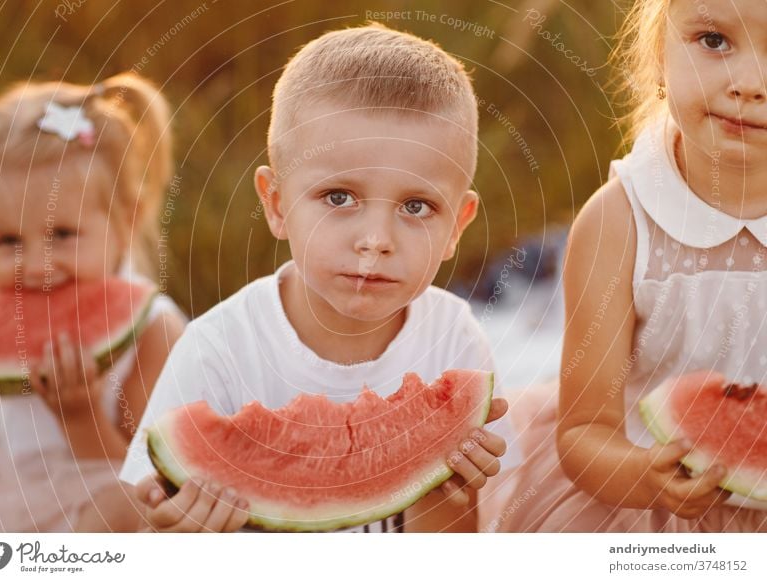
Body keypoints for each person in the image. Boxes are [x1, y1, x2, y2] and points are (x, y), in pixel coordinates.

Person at [120, 23, 516, 533]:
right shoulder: (218, 348)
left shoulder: (454, 340)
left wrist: (440, 492)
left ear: (456, 227)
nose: (376, 239)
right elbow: (140, 515)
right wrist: (172, 529)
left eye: (416, 206)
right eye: (338, 198)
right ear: (277, 204)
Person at [479, 0, 767, 533]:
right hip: (642, 509)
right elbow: (586, 430)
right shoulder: (620, 223)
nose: (749, 82)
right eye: (713, 40)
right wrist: (643, 474)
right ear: (659, 56)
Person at [0, 73, 186, 532]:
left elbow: (156, 487)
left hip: (92, 509)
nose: (36, 266)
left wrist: (80, 415)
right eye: (8, 240)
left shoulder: (154, 331)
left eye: (61, 235)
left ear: (129, 219)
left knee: (125, 515)